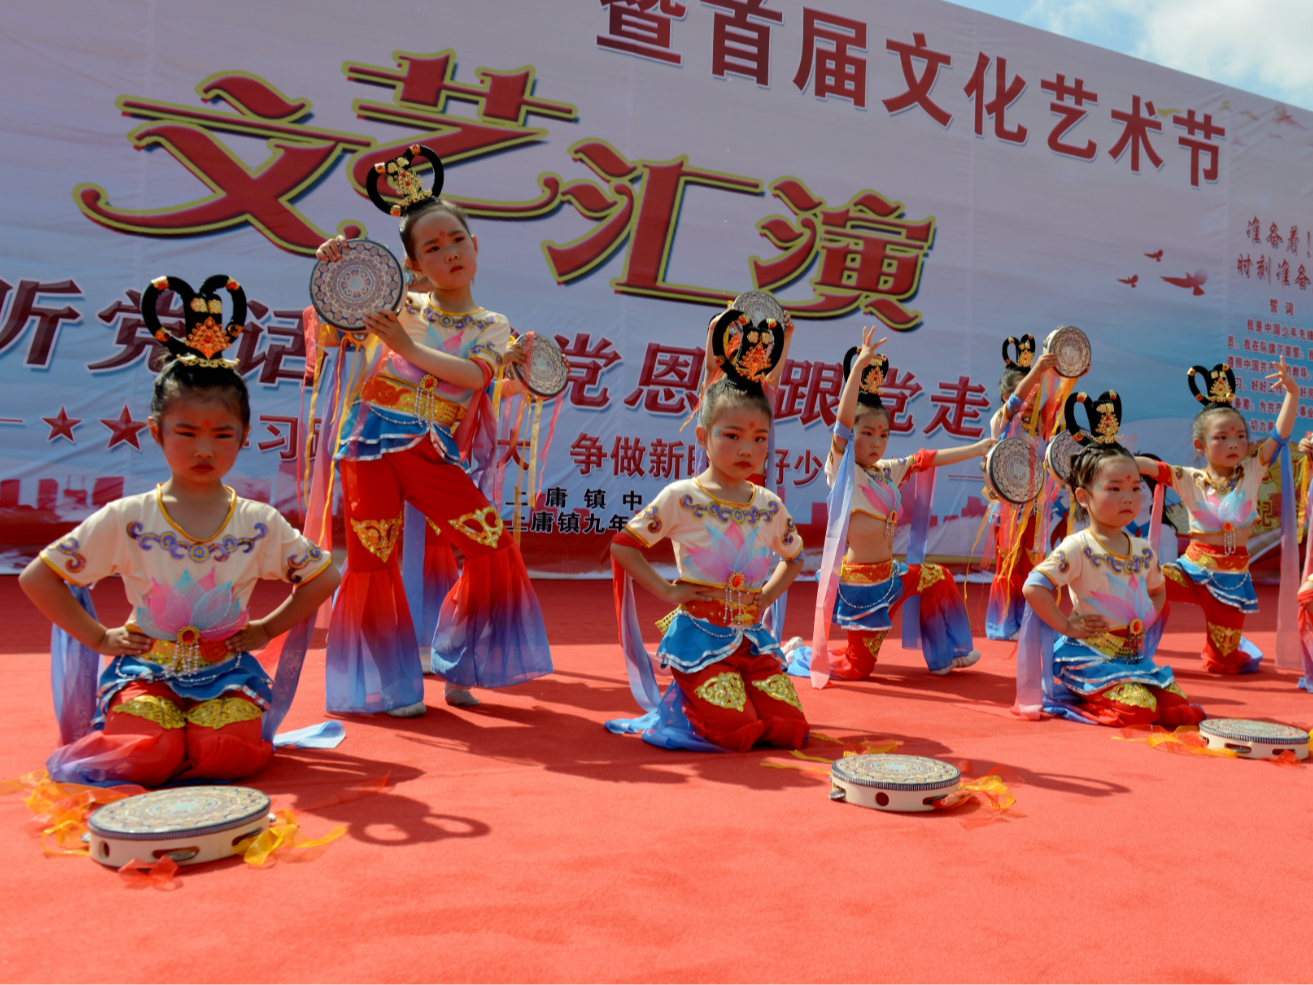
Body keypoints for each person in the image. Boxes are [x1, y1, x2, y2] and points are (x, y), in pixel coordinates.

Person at [19, 275, 340, 786]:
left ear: (244, 438)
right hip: (147, 670)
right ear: (156, 432)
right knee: (145, 755)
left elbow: (323, 577)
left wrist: (265, 629)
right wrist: (99, 637)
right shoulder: (128, 517)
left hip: (227, 671)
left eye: (222, 434)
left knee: (227, 753)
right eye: (186, 433)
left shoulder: (257, 522)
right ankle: (168, 738)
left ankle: (196, 738)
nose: (204, 449)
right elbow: (39, 577)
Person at [314, 145, 551, 716]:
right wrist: (336, 270)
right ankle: (391, 685)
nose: (449, 253)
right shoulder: (401, 302)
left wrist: (405, 346)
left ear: (476, 245)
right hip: (370, 439)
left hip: (433, 449)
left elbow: (475, 377)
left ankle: (458, 662)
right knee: (372, 560)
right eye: (433, 247)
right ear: (415, 264)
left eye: (457, 240)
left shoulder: (492, 325)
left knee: (492, 546)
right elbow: (334, 330)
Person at [609, 306, 808, 752]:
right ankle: (692, 697)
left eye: (759, 438)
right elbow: (623, 546)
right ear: (703, 437)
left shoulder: (768, 504)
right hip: (699, 637)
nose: (747, 448)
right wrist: (668, 591)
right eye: (732, 436)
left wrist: (767, 596)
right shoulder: (683, 497)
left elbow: (795, 557)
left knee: (790, 731)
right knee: (738, 733)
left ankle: (740, 692)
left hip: (753, 640)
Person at [813, 328, 991, 681]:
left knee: (938, 577)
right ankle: (800, 654)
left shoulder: (885, 472)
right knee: (857, 668)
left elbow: (926, 459)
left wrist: (977, 448)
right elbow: (842, 425)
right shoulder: (843, 471)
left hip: (891, 575)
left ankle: (946, 655)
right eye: (867, 433)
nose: (876, 442)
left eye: (883, 435)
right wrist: (857, 369)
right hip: (863, 586)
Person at [1018, 391, 1205, 726]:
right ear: (1083, 496)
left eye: (1135, 488)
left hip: (1133, 657)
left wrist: (1145, 617)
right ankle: (1082, 696)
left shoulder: (1143, 549)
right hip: (1091, 655)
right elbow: (1034, 586)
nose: (1128, 497)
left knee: (1178, 709)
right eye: (1114, 488)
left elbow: (1158, 590)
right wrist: (1066, 626)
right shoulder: (1078, 547)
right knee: (1141, 712)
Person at [1135, 360, 1299, 673]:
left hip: (1231, 581)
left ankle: (1225, 649)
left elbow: (1279, 435)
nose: (1233, 443)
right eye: (1221, 437)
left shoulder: (1252, 470)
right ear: (1200, 445)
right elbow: (1148, 467)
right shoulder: (1188, 478)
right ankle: (1121, 645)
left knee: (1222, 664)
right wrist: (1110, 458)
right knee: (1137, 580)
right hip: (1190, 571)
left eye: (1239, 436)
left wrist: (1292, 392)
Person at [986, 335, 1060, 640]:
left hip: (1037, 508)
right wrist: (1037, 371)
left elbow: (1059, 401)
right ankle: (1003, 624)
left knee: (1033, 566)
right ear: (1007, 395)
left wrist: (1072, 374)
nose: (1032, 399)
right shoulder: (1002, 421)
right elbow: (1017, 402)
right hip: (1008, 510)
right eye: (1027, 393)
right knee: (1009, 567)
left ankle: (1029, 622)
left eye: (1036, 393)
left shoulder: (1042, 425)